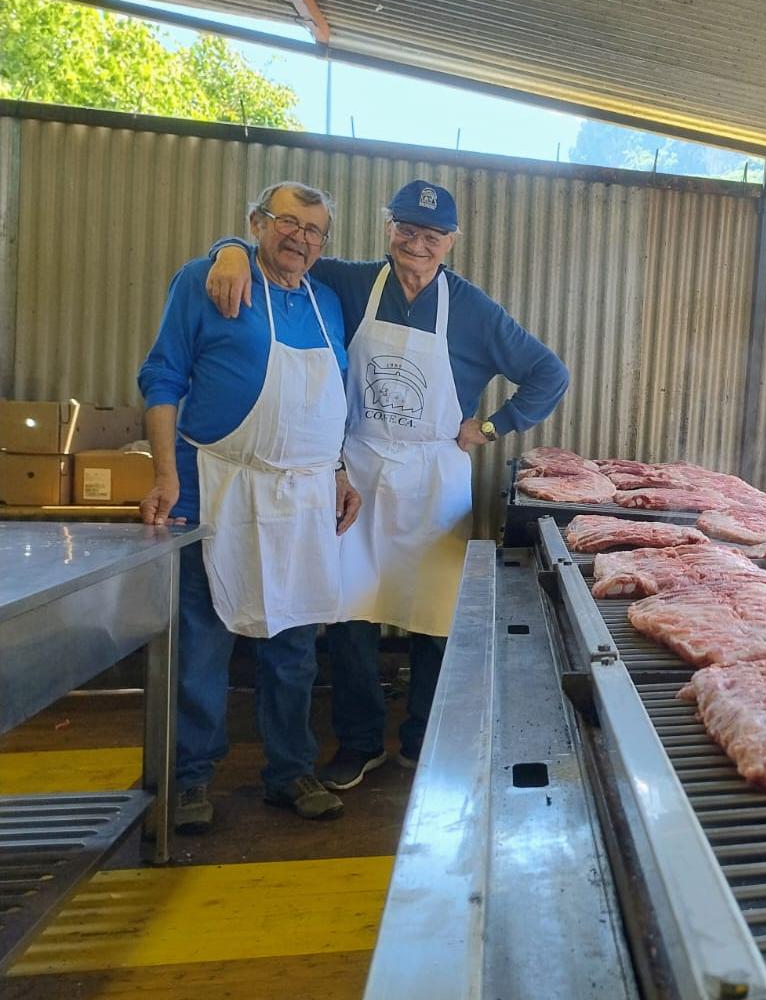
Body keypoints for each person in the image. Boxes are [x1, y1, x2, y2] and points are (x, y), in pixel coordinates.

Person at [204, 179, 569, 788]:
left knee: (433, 618)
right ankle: (359, 740)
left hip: (435, 474)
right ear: (387, 228)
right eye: (405, 229)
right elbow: (283, 259)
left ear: (451, 242)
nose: (416, 244)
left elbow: (548, 374)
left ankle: (423, 739)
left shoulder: (472, 309)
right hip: (359, 471)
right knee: (350, 609)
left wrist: (488, 426)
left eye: (431, 235)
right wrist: (229, 249)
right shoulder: (350, 283)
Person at [139, 181, 360, 832]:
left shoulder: (325, 303)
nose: (300, 238)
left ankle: (290, 771)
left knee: (293, 646)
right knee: (202, 643)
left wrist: (340, 471)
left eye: (314, 230)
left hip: (302, 497)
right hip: (215, 484)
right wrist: (162, 475)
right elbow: (162, 378)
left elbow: (327, 403)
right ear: (256, 223)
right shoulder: (209, 281)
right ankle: (188, 781)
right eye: (286, 223)